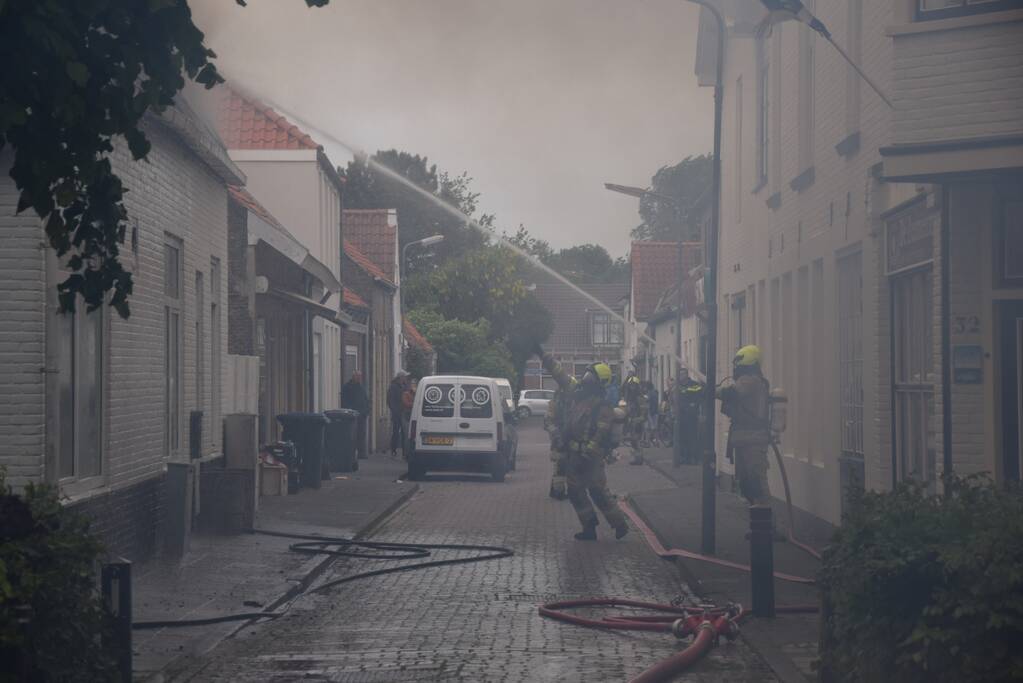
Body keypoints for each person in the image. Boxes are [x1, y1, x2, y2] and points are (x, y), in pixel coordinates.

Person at [535, 344, 629, 541]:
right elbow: (559, 373)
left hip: (591, 456)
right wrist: (543, 355)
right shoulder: (576, 392)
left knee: (597, 491)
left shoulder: (603, 406)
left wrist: (589, 452)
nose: (585, 380)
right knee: (575, 491)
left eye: (589, 377)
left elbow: (602, 432)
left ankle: (619, 524)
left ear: (596, 382)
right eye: (586, 375)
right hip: (574, 453)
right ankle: (589, 527)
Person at [717, 345, 771, 507]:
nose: (736, 367)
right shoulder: (746, 380)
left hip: (753, 440)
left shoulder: (751, 380)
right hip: (743, 439)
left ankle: (766, 525)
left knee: (757, 483)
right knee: (746, 483)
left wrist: (712, 390)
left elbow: (729, 393)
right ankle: (757, 521)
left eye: (738, 362)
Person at [545, 378, 575, 500]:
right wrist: (557, 436)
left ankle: (556, 490)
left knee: (562, 465)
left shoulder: (566, 401)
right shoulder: (558, 402)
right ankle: (559, 492)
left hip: (566, 437)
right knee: (561, 465)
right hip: (561, 438)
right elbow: (548, 421)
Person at [673, 368, 704, 467]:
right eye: (680, 374)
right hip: (681, 416)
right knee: (682, 438)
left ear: (687, 375)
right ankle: (684, 458)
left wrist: (693, 406)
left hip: (691, 416)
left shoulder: (694, 384)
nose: (681, 376)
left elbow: (699, 397)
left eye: (683, 374)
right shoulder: (678, 386)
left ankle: (693, 458)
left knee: (692, 437)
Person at [340, 371, 370, 460]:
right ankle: (352, 453)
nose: (359, 378)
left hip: (362, 415)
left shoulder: (361, 388)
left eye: (360, 377)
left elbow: (365, 399)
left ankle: (362, 453)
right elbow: (345, 401)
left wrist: (367, 410)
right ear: (353, 377)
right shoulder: (347, 387)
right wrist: (350, 411)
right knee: (352, 435)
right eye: (358, 377)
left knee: (361, 434)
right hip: (352, 415)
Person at [622, 375, 648, 465]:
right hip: (631, 422)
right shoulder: (629, 399)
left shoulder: (640, 398)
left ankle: (639, 458)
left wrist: (637, 420)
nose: (631, 388)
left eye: (633, 385)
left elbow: (644, 412)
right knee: (632, 441)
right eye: (630, 385)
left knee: (637, 440)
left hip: (638, 423)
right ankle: (636, 457)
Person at [387, 371, 409, 458]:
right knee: (396, 431)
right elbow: (390, 400)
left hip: (404, 413)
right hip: (397, 413)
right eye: (404, 377)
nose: (405, 379)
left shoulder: (405, 387)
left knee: (405, 432)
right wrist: (394, 410)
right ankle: (393, 450)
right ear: (400, 378)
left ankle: (405, 451)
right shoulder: (393, 387)